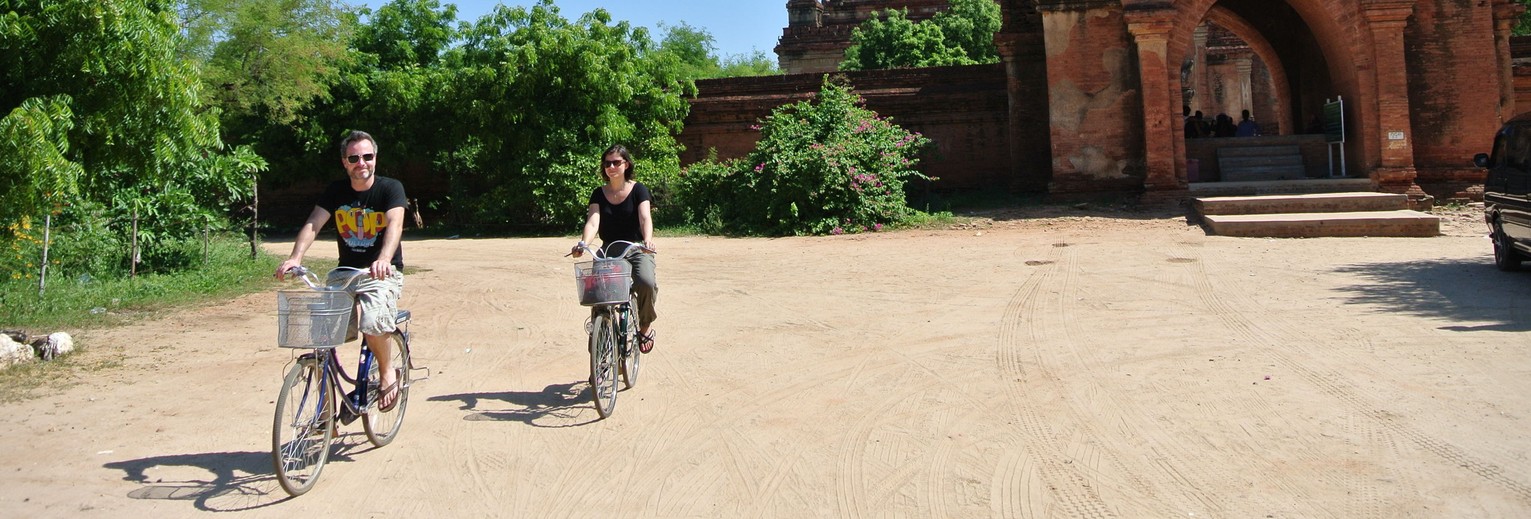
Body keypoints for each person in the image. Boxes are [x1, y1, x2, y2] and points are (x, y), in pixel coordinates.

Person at [275, 130, 407, 412]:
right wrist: (295, 257)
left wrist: (384, 258)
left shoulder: (390, 188)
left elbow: (394, 224)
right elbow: (314, 223)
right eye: (354, 158)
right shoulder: (335, 191)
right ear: (345, 162)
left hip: (380, 273)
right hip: (344, 273)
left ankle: (386, 373)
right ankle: (324, 410)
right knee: (320, 336)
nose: (362, 163)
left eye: (367, 157)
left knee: (372, 323)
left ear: (375, 159)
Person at [571, 144, 659, 353]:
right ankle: (599, 350)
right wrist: (583, 243)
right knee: (598, 297)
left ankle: (644, 327)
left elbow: (645, 217)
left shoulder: (639, 190)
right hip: (609, 250)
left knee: (646, 281)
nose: (611, 166)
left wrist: (647, 240)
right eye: (607, 163)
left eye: (616, 162)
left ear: (626, 164)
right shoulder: (598, 193)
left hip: (636, 248)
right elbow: (593, 222)